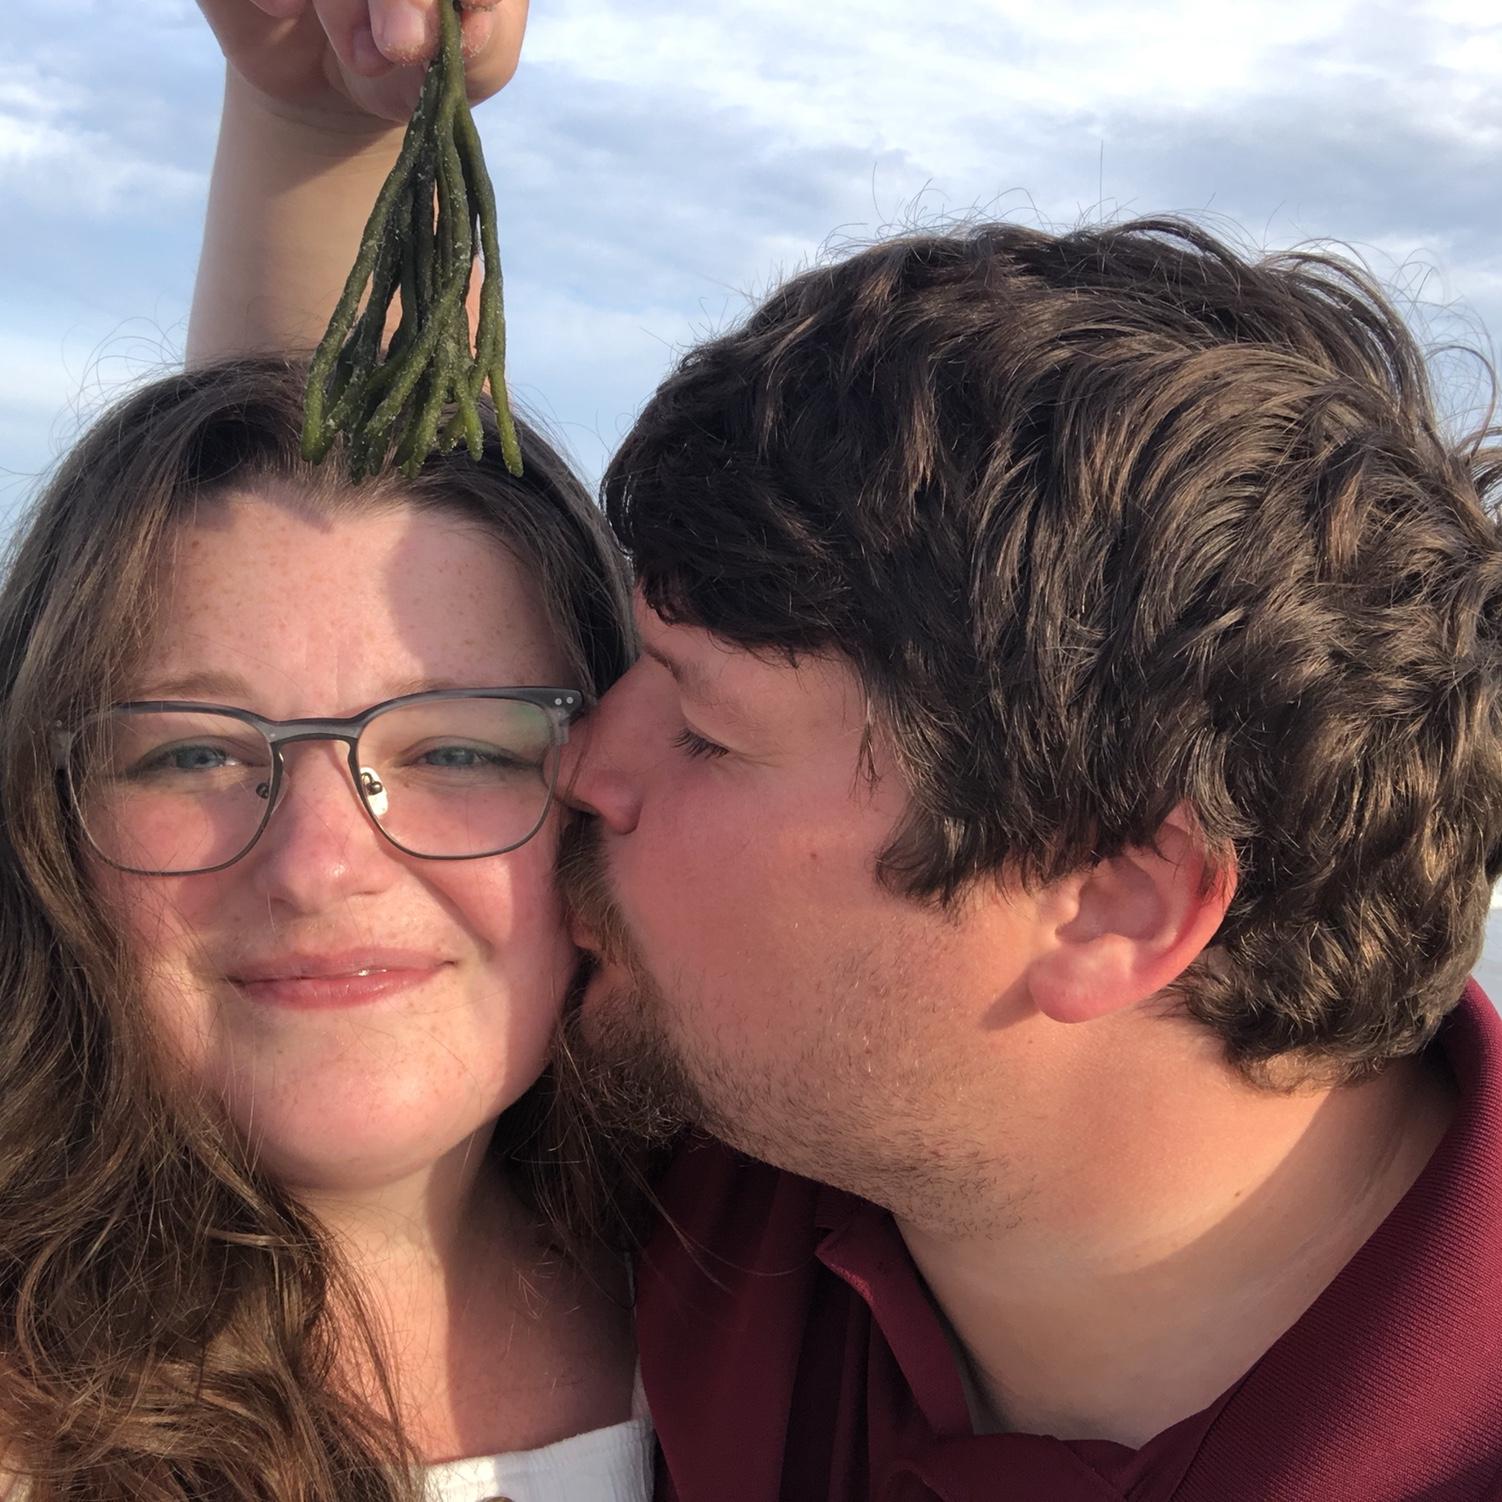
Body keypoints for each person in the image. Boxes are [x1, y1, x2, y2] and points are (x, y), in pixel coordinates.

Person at [190, 3, 1502, 1498]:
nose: (578, 761)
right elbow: (288, 657)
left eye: (698, 723)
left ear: (1115, 900)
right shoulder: (749, 1169)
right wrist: (318, 118)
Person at [0, 353, 650, 1501]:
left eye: (458, 748)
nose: (316, 864)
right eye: (191, 751)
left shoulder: (809, 1303)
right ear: (47, 828)